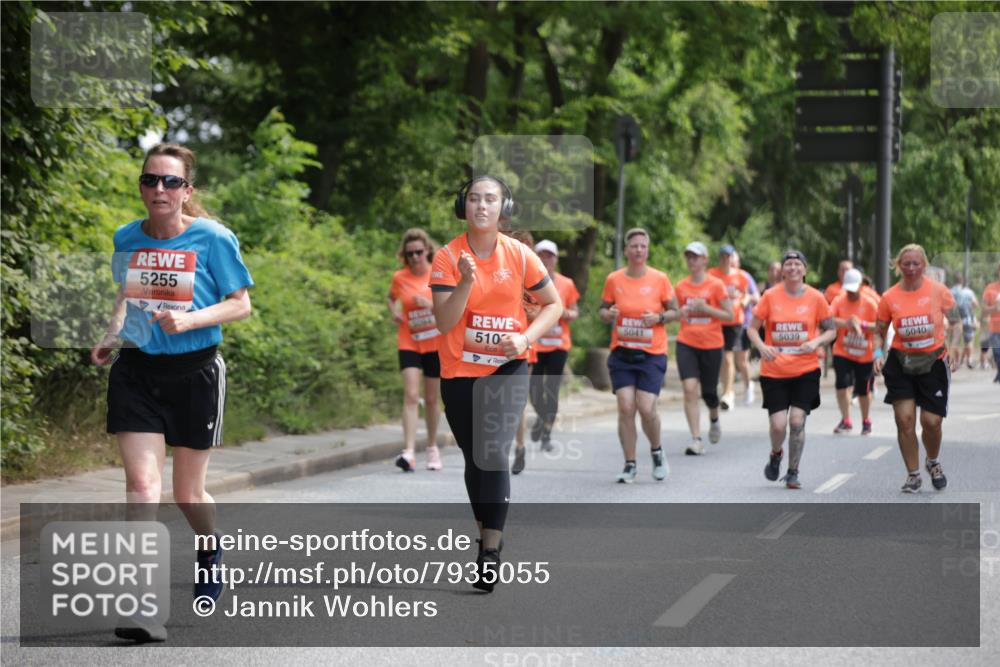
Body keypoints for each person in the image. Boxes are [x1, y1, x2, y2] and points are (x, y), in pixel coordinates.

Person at [90, 143, 254, 642]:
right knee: (142, 489)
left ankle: (209, 549)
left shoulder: (213, 238)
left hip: (196, 373)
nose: (159, 189)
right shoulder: (127, 236)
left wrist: (189, 319)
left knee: (186, 493)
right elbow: (126, 293)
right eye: (150, 180)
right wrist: (112, 331)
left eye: (170, 181)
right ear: (142, 186)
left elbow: (240, 305)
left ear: (187, 191)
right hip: (137, 371)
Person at [430, 175, 562, 591]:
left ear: (503, 208)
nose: (481, 206)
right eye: (474, 199)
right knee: (474, 460)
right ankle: (484, 529)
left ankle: (490, 549)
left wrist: (524, 337)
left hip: (507, 368)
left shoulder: (521, 256)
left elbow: (553, 304)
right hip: (458, 372)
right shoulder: (447, 257)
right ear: (463, 206)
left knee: (493, 452)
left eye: (490, 199)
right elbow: (446, 321)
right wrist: (466, 281)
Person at [873, 244, 962, 493]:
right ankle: (913, 475)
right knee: (905, 419)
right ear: (898, 266)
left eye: (916, 264)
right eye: (906, 264)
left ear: (924, 265)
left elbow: (955, 323)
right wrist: (878, 353)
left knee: (931, 422)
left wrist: (954, 348)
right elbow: (878, 332)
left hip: (934, 362)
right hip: (901, 363)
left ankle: (932, 461)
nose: (911, 268)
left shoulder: (939, 291)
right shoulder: (889, 297)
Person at [747, 250, 836, 489]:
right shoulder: (770, 296)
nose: (793, 267)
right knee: (778, 425)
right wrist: (762, 346)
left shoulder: (816, 298)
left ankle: (793, 471)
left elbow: (831, 330)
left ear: (805, 271)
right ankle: (776, 453)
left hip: (805, 369)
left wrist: (816, 342)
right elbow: (752, 329)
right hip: (774, 370)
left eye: (798, 264)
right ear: (782, 271)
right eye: (789, 264)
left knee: (797, 422)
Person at [599, 228, 679, 483]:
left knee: (646, 408)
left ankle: (656, 451)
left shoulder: (660, 279)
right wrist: (608, 315)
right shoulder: (614, 279)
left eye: (643, 246)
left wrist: (659, 318)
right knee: (626, 406)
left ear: (647, 250)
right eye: (634, 246)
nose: (638, 250)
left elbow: (675, 311)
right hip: (622, 352)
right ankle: (630, 464)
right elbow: (602, 310)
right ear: (626, 250)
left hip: (651, 354)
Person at [388, 228, 442, 472]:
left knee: (431, 399)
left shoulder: (439, 274)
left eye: (419, 252)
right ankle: (408, 451)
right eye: (410, 254)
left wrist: (430, 305)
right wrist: (395, 312)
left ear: (427, 250)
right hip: (409, 340)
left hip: (435, 342)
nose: (415, 258)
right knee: (411, 394)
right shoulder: (400, 277)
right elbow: (391, 298)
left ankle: (432, 447)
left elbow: (453, 306)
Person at [673, 242, 733, 455]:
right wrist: (680, 312)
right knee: (689, 389)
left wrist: (706, 308)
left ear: (705, 260)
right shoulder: (681, 287)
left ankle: (714, 418)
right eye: (688, 257)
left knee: (709, 392)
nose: (692, 261)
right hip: (686, 343)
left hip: (712, 344)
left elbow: (730, 315)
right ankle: (696, 439)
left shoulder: (716, 285)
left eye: (696, 257)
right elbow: (674, 313)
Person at [525, 239, 580, 457]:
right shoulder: (528, 282)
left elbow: (575, 311)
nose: (546, 260)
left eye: (550, 256)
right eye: (542, 255)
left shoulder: (566, 284)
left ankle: (546, 433)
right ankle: (541, 418)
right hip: (537, 344)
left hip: (559, 344)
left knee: (552, 389)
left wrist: (567, 314)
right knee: (534, 390)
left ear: (556, 259)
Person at [830, 268, 880, 435]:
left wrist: (863, 325)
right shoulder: (839, 300)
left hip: (864, 353)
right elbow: (829, 320)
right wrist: (847, 323)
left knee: (863, 390)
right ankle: (846, 420)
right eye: (848, 289)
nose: (850, 293)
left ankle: (866, 420)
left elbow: (880, 326)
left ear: (861, 286)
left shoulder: (870, 303)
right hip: (842, 350)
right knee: (842, 385)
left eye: (854, 289)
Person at [708, 244, 751, 410]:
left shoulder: (741, 276)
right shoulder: (712, 275)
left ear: (732, 258)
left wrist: (743, 301)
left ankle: (728, 393)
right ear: (719, 258)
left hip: (734, 320)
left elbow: (746, 294)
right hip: (717, 320)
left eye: (728, 256)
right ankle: (726, 387)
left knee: (728, 357)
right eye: (723, 256)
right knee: (720, 358)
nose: (726, 260)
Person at [731, 250, 760, 405]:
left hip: (743, 323)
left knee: (741, 360)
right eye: (729, 261)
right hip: (726, 323)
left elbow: (757, 297)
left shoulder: (745, 277)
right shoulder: (720, 278)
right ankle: (728, 392)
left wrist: (747, 298)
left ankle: (748, 387)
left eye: (733, 262)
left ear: (738, 263)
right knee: (728, 359)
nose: (731, 264)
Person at [948, 273, 979, 371]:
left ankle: (955, 362)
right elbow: (975, 304)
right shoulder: (968, 292)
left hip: (954, 321)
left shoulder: (950, 292)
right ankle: (969, 360)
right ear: (962, 281)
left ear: (954, 280)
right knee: (969, 340)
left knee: (954, 341)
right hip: (967, 320)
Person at [980, 264, 1000, 381]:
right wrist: (994, 308)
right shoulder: (990, 288)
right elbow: (983, 309)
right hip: (995, 328)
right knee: (997, 353)